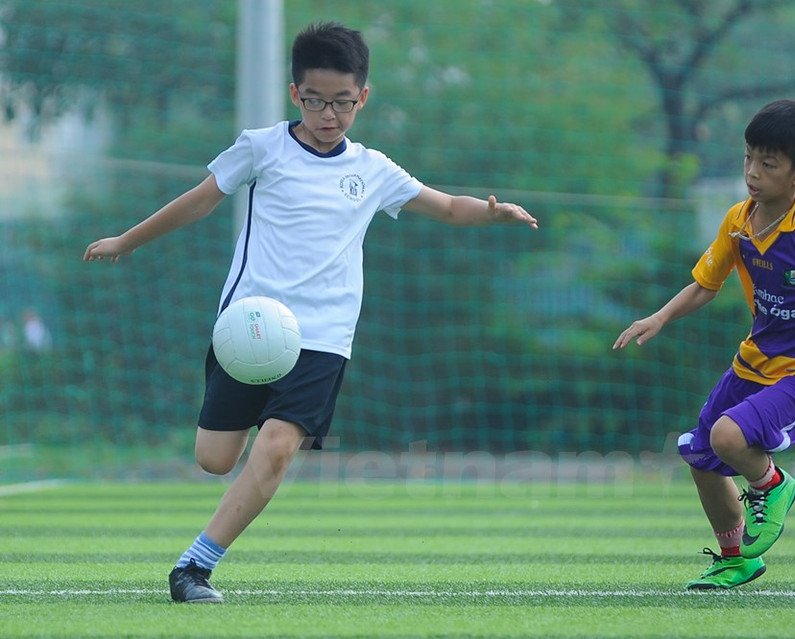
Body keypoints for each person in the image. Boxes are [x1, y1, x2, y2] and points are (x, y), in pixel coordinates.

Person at [83, 21, 538, 603]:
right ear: (295, 94)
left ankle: (194, 568)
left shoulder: (373, 169)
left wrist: (491, 213)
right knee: (215, 459)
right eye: (317, 101)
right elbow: (198, 202)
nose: (330, 114)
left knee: (276, 447)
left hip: (322, 338)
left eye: (343, 102)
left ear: (363, 97)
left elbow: (447, 207)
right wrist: (126, 240)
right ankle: (235, 474)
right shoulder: (262, 147)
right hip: (250, 327)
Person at [613, 99, 795, 589]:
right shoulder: (739, 220)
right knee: (701, 457)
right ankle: (735, 559)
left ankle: (774, 485)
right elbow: (706, 284)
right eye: (748, 158)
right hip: (752, 363)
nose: (752, 173)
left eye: (768, 164)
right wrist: (659, 317)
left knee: (727, 436)